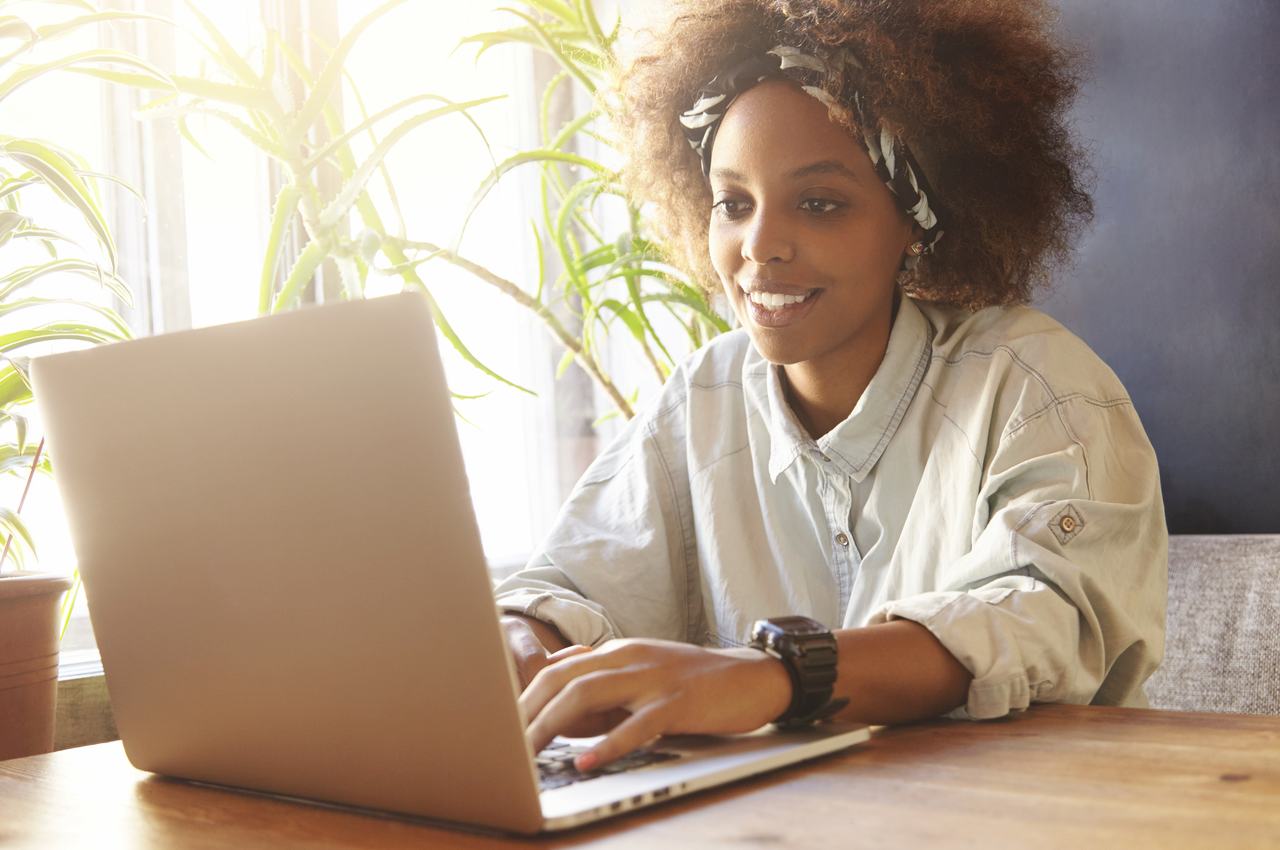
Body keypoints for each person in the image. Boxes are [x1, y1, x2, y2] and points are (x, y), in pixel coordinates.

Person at [495, 0, 1167, 774]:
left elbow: (1036, 615)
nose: (760, 246)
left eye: (819, 204)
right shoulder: (702, 400)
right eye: (732, 203)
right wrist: (526, 638)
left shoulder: (1040, 390)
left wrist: (777, 676)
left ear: (914, 220)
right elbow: (573, 581)